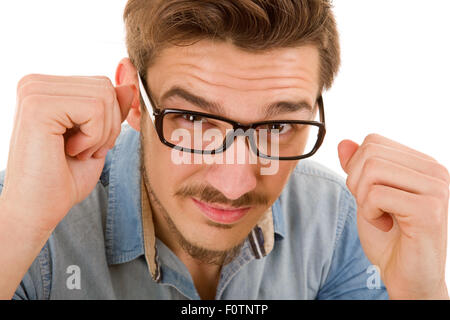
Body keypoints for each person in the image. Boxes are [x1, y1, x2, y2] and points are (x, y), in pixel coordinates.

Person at [0, 0, 448, 300]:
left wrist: (421, 291)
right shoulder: (25, 219)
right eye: (195, 120)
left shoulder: (344, 223)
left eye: (278, 125)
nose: (235, 183)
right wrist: (17, 226)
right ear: (133, 100)